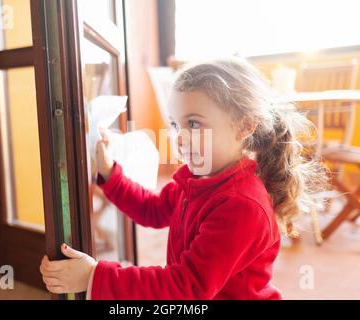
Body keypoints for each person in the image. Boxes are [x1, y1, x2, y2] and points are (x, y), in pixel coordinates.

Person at [40, 57, 328, 299]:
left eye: (193, 123)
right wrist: (109, 172)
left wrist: (95, 277)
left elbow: (185, 286)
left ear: (244, 127)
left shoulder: (242, 206)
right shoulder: (197, 179)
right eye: (176, 124)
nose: (179, 138)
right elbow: (152, 210)